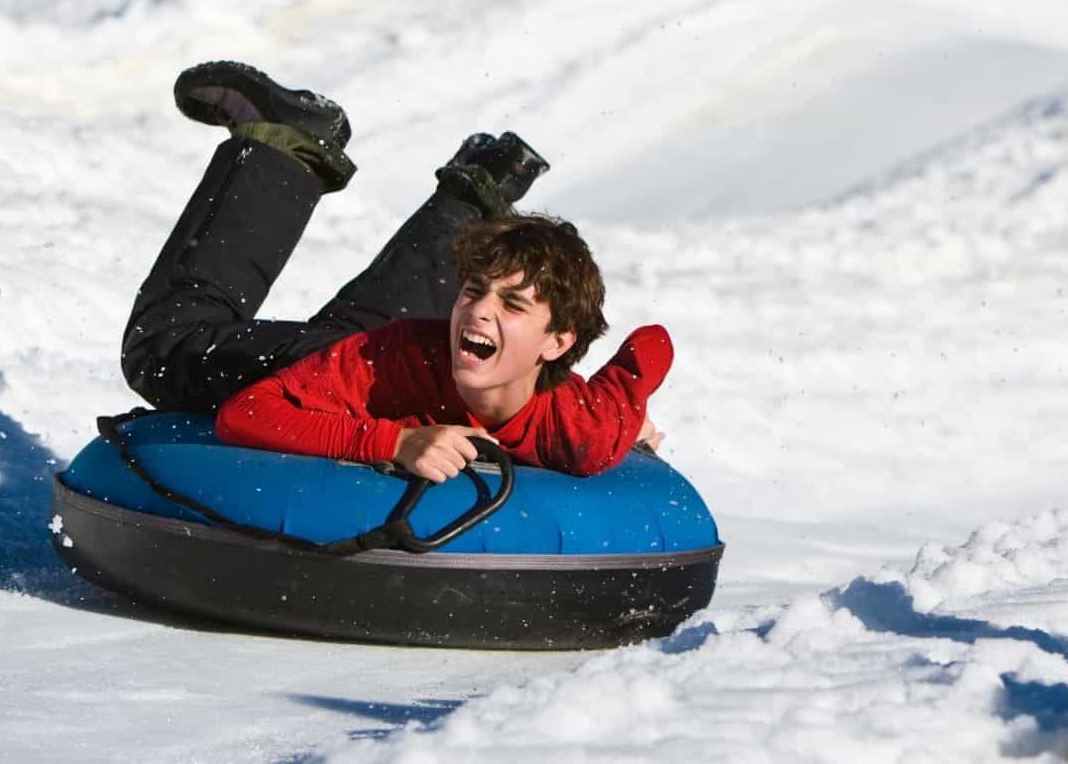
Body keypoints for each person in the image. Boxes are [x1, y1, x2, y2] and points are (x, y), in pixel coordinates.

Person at [120, 61, 671, 482]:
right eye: (474, 291)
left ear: (557, 342)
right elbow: (247, 415)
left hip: (403, 355)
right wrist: (392, 443)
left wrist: (627, 426)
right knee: (165, 349)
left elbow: (651, 349)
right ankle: (284, 146)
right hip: (353, 365)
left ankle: (480, 191)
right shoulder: (381, 360)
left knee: (393, 336)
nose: (479, 307)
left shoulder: (584, 428)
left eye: (513, 305)